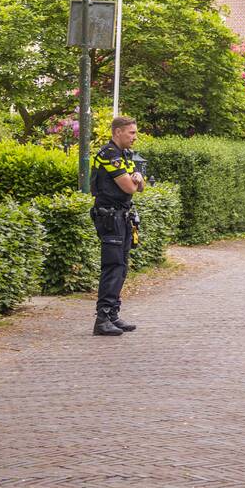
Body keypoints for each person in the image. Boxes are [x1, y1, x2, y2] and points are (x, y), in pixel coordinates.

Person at [90, 116, 145, 337]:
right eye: (131, 133)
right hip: (109, 217)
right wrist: (135, 181)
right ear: (118, 132)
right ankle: (102, 319)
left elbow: (138, 186)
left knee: (121, 266)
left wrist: (137, 180)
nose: (135, 137)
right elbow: (129, 186)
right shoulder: (108, 155)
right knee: (112, 266)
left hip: (122, 217)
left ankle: (112, 315)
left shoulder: (124, 155)